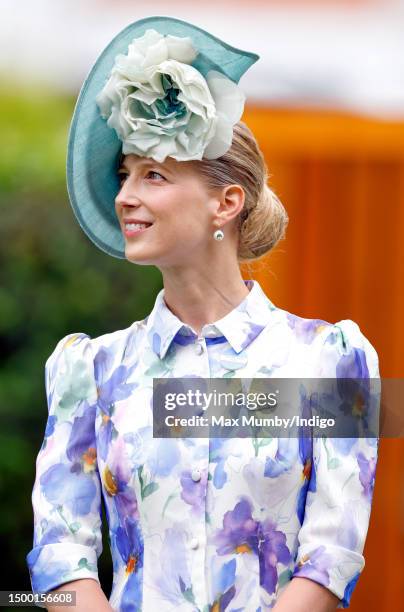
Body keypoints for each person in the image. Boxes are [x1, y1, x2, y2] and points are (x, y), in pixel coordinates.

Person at [26, 16, 380, 612]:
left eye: (153, 175)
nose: (125, 196)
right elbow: (60, 549)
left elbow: (332, 555)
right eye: (124, 175)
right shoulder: (88, 370)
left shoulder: (330, 362)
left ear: (226, 202)